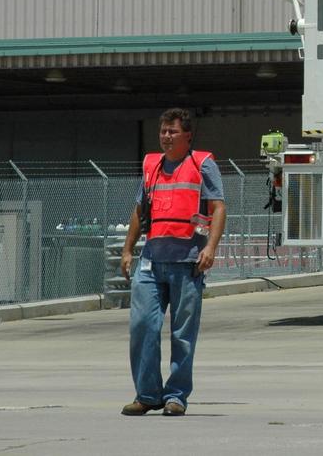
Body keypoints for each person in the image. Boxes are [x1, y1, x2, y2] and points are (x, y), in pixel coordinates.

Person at [120, 108, 226, 416]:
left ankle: (176, 395)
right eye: (163, 131)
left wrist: (211, 248)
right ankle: (148, 393)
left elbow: (218, 208)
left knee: (182, 333)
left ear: (188, 136)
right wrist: (128, 250)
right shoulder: (152, 165)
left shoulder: (202, 164)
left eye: (173, 132)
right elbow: (141, 211)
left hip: (188, 261)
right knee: (142, 326)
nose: (166, 137)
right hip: (151, 259)